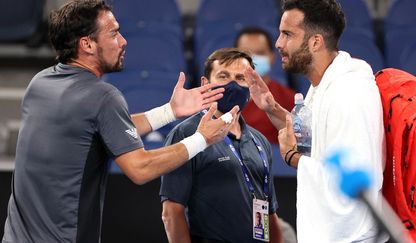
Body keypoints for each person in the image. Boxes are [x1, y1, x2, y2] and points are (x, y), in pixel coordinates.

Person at [1, 1, 239, 242]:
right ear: (87, 44)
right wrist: (202, 139)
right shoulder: (103, 96)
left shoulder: (40, 83)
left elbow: (103, 129)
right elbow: (140, 168)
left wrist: (169, 112)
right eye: (114, 33)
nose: (124, 41)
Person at [245, 0, 386, 242]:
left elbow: (350, 181)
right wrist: (273, 109)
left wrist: (292, 157)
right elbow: (315, 136)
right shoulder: (325, 83)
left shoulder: (348, 94)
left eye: (287, 34)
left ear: (315, 42)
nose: (278, 43)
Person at [160, 48, 283, 243]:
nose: (233, 84)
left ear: (251, 87)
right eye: (224, 76)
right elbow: (171, 213)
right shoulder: (186, 134)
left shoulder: (260, 141)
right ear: (205, 84)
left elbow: (270, 213)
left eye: (241, 78)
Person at [235, 27, 296, 144]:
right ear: (234, 57)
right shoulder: (222, 96)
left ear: (272, 57)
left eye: (260, 53)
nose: (252, 59)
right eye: (246, 53)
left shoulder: (289, 99)